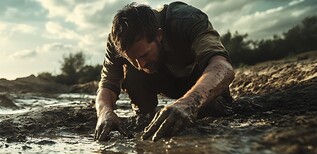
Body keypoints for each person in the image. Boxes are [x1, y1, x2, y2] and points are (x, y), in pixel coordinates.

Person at [94, 2, 235, 142]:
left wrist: (190, 103)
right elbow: (107, 84)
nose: (140, 65)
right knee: (141, 111)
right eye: (133, 59)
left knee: (215, 110)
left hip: (197, 81)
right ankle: (145, 114)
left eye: (144, 55)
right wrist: (104, 112)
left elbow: (222, 66)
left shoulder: (187, 19)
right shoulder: (116, 42)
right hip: (159, 81)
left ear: (159, 35)